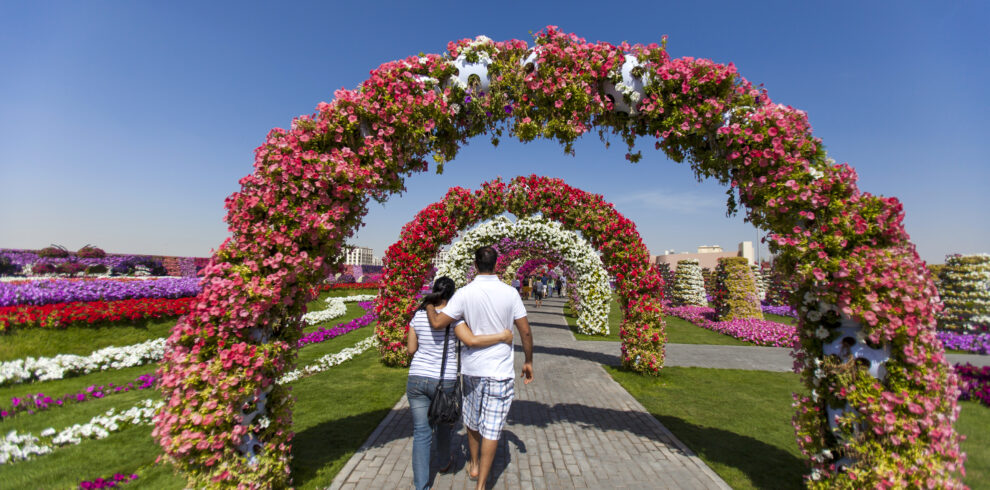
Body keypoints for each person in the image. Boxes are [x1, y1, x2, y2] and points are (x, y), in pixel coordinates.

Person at [425, 246, 534, 489]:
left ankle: (474, 464)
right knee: (492, 428)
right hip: (499, 370)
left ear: (475, 265)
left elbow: (439, 323)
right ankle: (482, 484)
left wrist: (429, 303)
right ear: (496, 264)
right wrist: (528, 360)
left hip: (473, 369)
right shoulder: (510, 293)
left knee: (473, 422)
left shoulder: (465, 293)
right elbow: (525, 330)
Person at [406, 277, 513, 490]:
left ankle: (421, 486)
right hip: (443, 379)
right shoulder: (454, 319)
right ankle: (444, 461)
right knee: (444, 424)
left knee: (421, 433)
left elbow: (410, 349)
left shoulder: (418, 315)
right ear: (452, 295)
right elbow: (471, 340)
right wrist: (502, 336)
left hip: (417, 378)